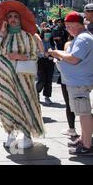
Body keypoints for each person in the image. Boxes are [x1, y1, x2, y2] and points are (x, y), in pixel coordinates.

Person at [0, 1, 44, 149]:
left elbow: (35, 55)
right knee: (6, 104)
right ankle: (10, 134)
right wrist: (1, 33)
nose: (13, 19)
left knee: (24, 103)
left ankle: (26, 135)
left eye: (15, 16)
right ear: (6, 20)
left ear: (20, 19)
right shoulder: (2, 36)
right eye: (10, 16)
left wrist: (21, 57)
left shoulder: (28, 36)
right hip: (4, 77)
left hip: (23, 78)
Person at [49, 12, 93, 155]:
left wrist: (57, 53)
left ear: (76, 25)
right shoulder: (82, 38)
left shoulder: (83, 39)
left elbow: (74, 59)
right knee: (82, 112)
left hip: (79, 82)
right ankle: (84, 139)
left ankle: (87, 145)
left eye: (68, 26)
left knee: (84, 113)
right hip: (78, 81)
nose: (67, 29)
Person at [55, 35, 79, 138]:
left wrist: (58, 59)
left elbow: (63, 62)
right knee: (80, 106)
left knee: (71, 105)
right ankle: (72, 129)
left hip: (68, 79)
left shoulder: (68, 44)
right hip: (79, 79)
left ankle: (72, 129)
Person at [36, 27, 56, 105]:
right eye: (46, 34)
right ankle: (36, 92)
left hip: (50, 62)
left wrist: (52, 54)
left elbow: (55, 50)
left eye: (49, 34)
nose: (47, 36)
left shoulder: (52, 42)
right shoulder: (39, 41)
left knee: (49, 80)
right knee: (41, 80)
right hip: (41, 61)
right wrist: (44, 53)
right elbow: (36, 51)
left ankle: (47, 97)